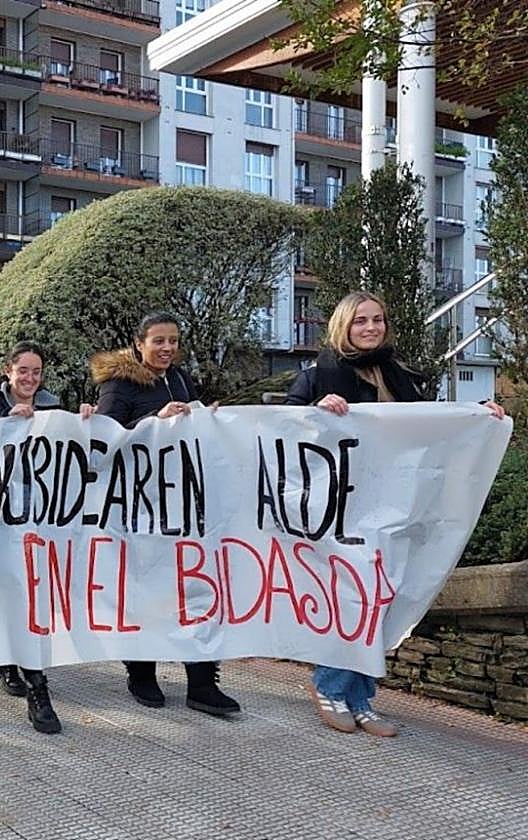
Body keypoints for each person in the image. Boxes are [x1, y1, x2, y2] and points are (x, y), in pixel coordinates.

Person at [286, 291, 504, 737]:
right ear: (343, 326)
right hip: (344, 509)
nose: (371, 328)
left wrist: (476, 414)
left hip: (396, 507)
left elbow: (432, 422)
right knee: (354, 597)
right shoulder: (317, 376)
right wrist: (314, 412)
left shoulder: (399, 375)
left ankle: (361, 697)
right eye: (360, 321)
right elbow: (281, 429)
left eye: (378, 319)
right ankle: (329, 686)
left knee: (383, 600)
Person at [91, 311, 241, 717]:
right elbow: (104, 438)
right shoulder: (119, 384)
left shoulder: (180, 379)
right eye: (158, 341)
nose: (167, 348)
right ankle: (141, 673)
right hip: (140, 509)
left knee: (197, 590)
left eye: (173, 341)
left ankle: (202, 683)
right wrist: (153, 421)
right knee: (145, 593)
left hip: (183, 507)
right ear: (139, 343)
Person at [0, 340, 95, 734]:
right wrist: (6, 425)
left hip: (41, 524)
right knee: (10, 595)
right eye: (22, 370)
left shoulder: (52, 406)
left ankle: (35, 683)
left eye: (36, 372)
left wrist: (85, 421)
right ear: (8, 371)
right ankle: (18, 669)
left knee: (33, 599)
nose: (29, 378)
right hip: (2, 522)